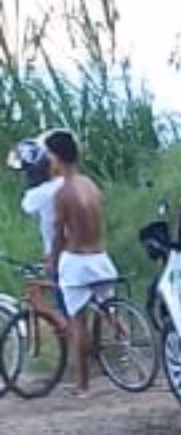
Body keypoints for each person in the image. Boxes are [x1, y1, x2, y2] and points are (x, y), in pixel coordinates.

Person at [46, 132, 118, 396]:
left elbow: (57, 233)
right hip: (101, 257)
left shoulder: (62, 192)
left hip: (77, 261)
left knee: (77, 322)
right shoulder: (91, 184)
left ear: (56, 157)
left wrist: (53, 262)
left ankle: (82, 385)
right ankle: (128, 352)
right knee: (108, 311)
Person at [13, 133, 70, 330]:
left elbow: (26, 205)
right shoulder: (64, 183)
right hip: (83, 247)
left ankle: (70, 334)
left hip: (60, 252)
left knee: (61, 306)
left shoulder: (38, 195)